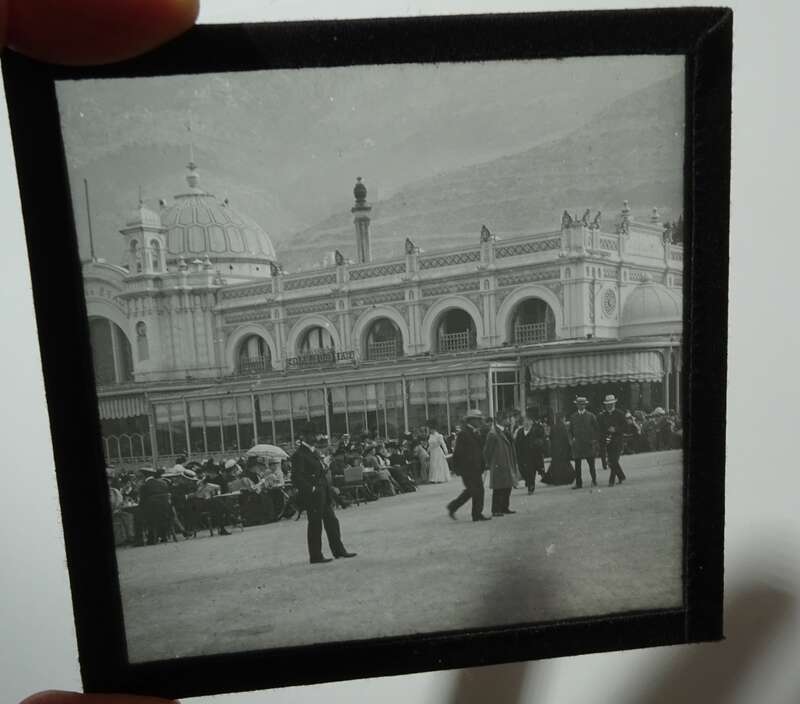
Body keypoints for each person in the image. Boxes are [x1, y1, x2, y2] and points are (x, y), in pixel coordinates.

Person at [291, 422, 356, 564]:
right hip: (313, 495)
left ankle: (339, 550)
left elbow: (318, 473)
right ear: (305, 436)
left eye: (316, 434)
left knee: (332, 522)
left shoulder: (313, 452)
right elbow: (296, 478)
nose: (316, 437)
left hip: (323, 493)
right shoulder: (299, 455)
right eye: (313, 434)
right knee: (315, 525)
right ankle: (315, 555)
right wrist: (311, 489)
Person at [446, 409, 490, 522]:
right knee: (475, 490)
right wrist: (457, 468)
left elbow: (479, 450)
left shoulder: (475, 432)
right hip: (468, 468)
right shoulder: (464, 433)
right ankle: (474, 514)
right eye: (478, 420)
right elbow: (458, 453)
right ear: (472, 420)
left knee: (474, 490)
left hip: (476, 467)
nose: (480, 422)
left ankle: (457, 508)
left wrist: (482, 463)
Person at [484, 415, 517, 517]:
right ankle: (496, 509)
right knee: (498, 488)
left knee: (507, 486)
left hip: (506, 461)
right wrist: (490, 463)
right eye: (507, 418)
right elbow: (487, 451)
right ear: (502, 420)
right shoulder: (493, 433)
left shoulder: (505, 431)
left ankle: (504, 507)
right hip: (499, 463)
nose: (509, 421)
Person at [569, 396, 599, 489]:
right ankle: (579, 483)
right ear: (576, 405)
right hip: (577, 444)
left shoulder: (591, 416)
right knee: (577, 466)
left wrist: (594, 440)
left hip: (588, 444)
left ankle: (594, 480)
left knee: (591, 465)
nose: (581, 406)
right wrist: (571, 441)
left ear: (585, 405)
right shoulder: (573, 417)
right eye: (579, 404)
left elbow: (596, 429)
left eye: (582, 404)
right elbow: (570, 431)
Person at [137, 468, 173, 544]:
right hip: (166, 511)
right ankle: (163, 535)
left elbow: (142, 502)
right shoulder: (163, 483)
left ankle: (148, 538)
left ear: (144, 476)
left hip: (152, 513)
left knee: (137, 516)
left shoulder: (144, 486)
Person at [598, 394, 628, 486]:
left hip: (618, 440)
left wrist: (616, 430)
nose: (609, 406)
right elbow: (601, 428)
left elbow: (625, 427)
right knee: (612, 461)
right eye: (607, 404)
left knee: (614, 460)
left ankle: (611, 481)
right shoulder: (603, 416)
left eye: (611, 404)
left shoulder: (620, 414)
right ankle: (621, 476)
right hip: (608, 441)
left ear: (614, 404)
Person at [541, 415, 576, 485]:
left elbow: (550, 437)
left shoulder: (553, 427)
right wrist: (569, 447)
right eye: (564, 418)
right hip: (563, 448)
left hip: (555, 449)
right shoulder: (563, 427)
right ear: (561, 418)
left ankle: (555, 480)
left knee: (556, 465)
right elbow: (566, 438)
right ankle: (566, 479)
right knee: (564, 464)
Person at [515, 414, 545, 494]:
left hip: (533, 455)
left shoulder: (535, 430)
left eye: (529, 421)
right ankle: (528, 482)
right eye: (525, 421)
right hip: (522, 455)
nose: (527, 423)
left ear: (532, 422)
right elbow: (517, 443)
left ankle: (531, 487)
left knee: (531, 470)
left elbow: (541, 440)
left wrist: (536, 444)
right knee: (523, 471)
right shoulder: (520, 432)